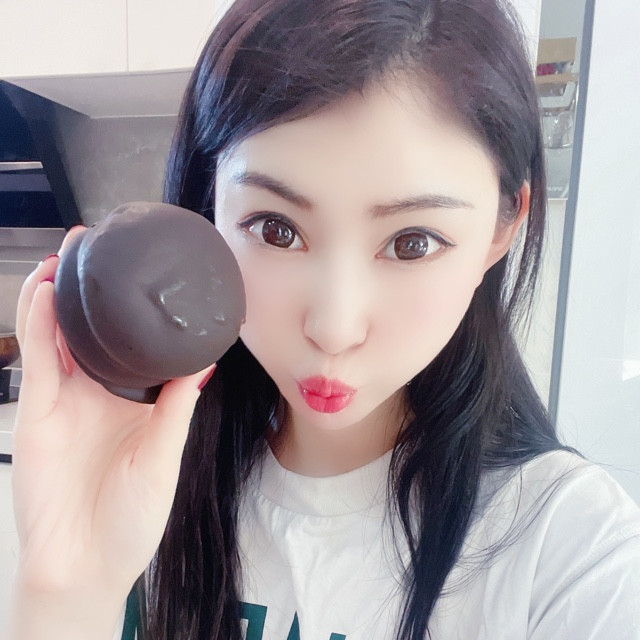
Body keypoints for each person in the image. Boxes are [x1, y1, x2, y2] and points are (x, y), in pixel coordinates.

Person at [6, 0, 640, 639]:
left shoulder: (575, 558)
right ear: (209, 204)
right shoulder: (132, 475)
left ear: (501, 230)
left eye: (412, 243)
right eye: (275, 230)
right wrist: (66, 587)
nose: (334, 329)